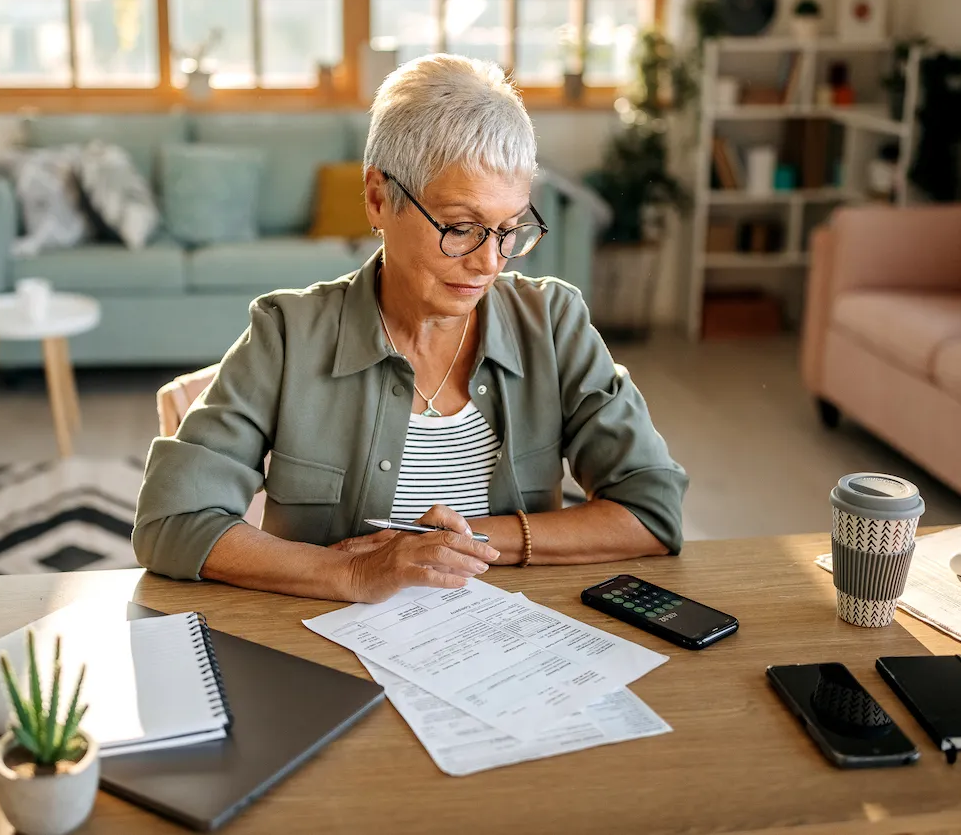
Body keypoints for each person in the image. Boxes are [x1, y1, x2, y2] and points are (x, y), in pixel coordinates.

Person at [134, 53, 687, 603]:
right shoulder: (287, 335)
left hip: (516, 652)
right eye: (462, 227)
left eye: (508, 229)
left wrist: (463, 544)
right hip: (330, 658)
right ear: (378, 198)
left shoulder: (554, 324)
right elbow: (170, 522)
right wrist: (351, 574)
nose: (490, 262)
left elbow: (651, 511)